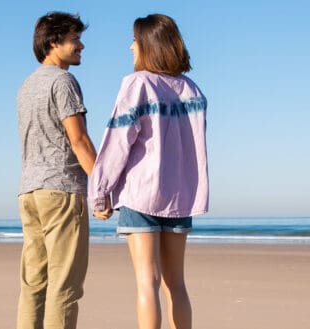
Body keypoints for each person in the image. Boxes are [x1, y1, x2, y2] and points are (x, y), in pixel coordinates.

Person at [89, 14, 208, 329]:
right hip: (180, 197)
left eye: (133, 40)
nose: (130, 47)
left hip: (142, 195)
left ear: (147, 45)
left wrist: (99, 192)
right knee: (176, 284)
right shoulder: (193, 91)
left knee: (147, 282)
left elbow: (117, 140)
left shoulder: (137, 84)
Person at [16, 12, 97, 329]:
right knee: (65, 287)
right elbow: (78, 140)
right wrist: (103, 188)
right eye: (75, 39)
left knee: (33, 285)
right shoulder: (63, 81)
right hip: (62, 191)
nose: (81, 46)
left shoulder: (26, 86)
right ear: (54, 42)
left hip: (30, 192)